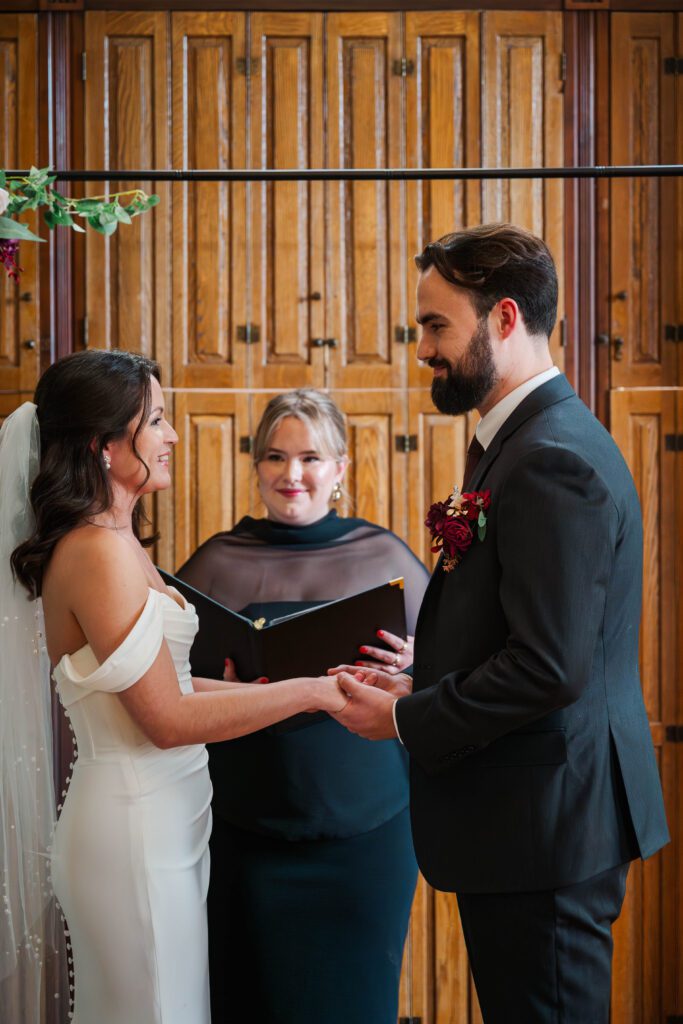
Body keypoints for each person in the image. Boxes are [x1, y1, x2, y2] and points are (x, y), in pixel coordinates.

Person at [329, 223, 670, 1023]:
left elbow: (551, 667)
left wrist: (407, 716)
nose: (421, 350)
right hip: (534, 822)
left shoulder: (551, 457)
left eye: (435, 325)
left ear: (505, 318)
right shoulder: (522, 442)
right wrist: (427, 669)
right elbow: (526, 629)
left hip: (545, 830)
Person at [2, 350, 347, 1024]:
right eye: (156, 420)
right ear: (105, 444)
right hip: (133, 827)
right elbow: (165, 718)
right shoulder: (97, 550)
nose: (173, 436)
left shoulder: (117, 540)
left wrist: (314, 681)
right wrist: (311, 695)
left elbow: (173, 685)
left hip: (161, 823)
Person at [175, 389, 429, 1024]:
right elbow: (169, 689)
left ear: (340, 467)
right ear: (256, 465)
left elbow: (445, 667)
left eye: (311, 457)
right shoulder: (216, 561)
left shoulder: (385, 556)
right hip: (249, 829)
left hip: (367, 834)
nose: (292, 475)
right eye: (275, 457)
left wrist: (407, 662)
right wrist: (231, 686)